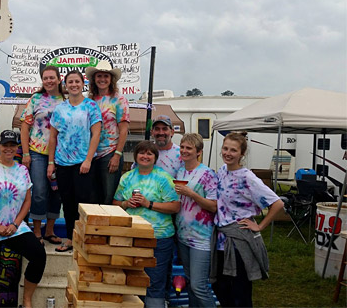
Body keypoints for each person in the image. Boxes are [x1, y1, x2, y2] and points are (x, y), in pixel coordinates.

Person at [0, 130, 46, 308]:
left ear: (17, 148)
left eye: (13, 145)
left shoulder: (22, 170)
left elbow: (27, 201)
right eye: (5, 145)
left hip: (14, 227)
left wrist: (16, 223)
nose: (9, 148)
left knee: (38, 255)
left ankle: (26, 300)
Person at [211, 132, 283, 307]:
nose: (228, 153)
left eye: (233, 150)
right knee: (220, 288)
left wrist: (259, 226)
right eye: (225, 148)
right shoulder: (221, 171)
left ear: (242, 153)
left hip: (239, 242)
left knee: (240, 292)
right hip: (221, 241)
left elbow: (277, 203)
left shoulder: (247, 177)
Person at [112, 140, 180, 307]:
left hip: (158, 237)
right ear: (136, 156)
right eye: (142, 153)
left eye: (149, 153)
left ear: (155, 158)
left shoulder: (164, 178)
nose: (145, 156)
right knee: (133, 280)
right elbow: (115, 202)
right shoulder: (127, 177)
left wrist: (148, 204)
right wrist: (126, 204)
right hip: (132, 236)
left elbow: (175, 206)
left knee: (154, 282)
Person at [47, 70, 102, 252]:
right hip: (63, 163)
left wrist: (87, 160)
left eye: (77, 81)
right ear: (65, 85)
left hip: (83, 163)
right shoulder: (60, 109)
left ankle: (85, 239)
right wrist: (51, 162)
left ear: (82, 83)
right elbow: (53, 137)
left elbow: (96, 134)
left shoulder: (91, 106)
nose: (73, 85)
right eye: (70, 82)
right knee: (68, 202)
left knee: (84, 202)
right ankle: (70, 238)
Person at [20, 65, 65, 245]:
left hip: (61, 155)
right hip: (37, 152)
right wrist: (25, 153)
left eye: (52, 77)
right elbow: (25, 126)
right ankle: (36, 230)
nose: (49, 81)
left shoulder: (66, 100)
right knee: (38, 191)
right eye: (45, 78)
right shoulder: (36, 99)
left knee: (57, 192)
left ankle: (50, 230)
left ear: (59, 79)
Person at [174, 133, 217, 308]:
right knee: (190, 282)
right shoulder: (180, 171)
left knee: (199, 286)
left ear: (198, 152)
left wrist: (192, 194)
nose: (184, 151)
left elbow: (213, 206)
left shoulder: (207, 174)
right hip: (183, 235)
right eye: (182, 147)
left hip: (201, 238)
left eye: (189, 148)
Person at [86, 60, 130, 205]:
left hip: (110, 153)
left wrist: (117, 155)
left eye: (106, 76)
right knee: (91, 197)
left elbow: (123, 130)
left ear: (111, 79)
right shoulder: (89, 100)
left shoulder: (119, 100)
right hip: (90, 155)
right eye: (99, 76)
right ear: (94, 79)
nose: (102, 79)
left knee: (108, 197)